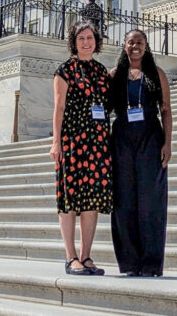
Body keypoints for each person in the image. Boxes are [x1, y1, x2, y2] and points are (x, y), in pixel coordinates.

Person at [50, 19, 113, 276]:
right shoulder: (64, 71)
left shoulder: (101, 71)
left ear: (96, 41)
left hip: (98, 142)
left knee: (92, 201)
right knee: (70, 200)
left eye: (90, 38)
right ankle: (70, 257)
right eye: (81, 39)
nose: (86, 42)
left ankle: (87, 256)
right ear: (73, 43)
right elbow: (59, 108)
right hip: (72, 140)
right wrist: (56, 142)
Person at [108, 29, 172, 276]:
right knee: (124, 201)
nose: (135, 46)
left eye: (140, 42)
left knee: (151, 200)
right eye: (131, 42)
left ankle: (151, 263)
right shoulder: (115, 75)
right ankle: (130, 262)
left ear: (146, 46)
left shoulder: (156, 74)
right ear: (124, 46)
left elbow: (165, 110)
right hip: (122, 138)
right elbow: (104, 108)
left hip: (150, 137)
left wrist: (168, 143)